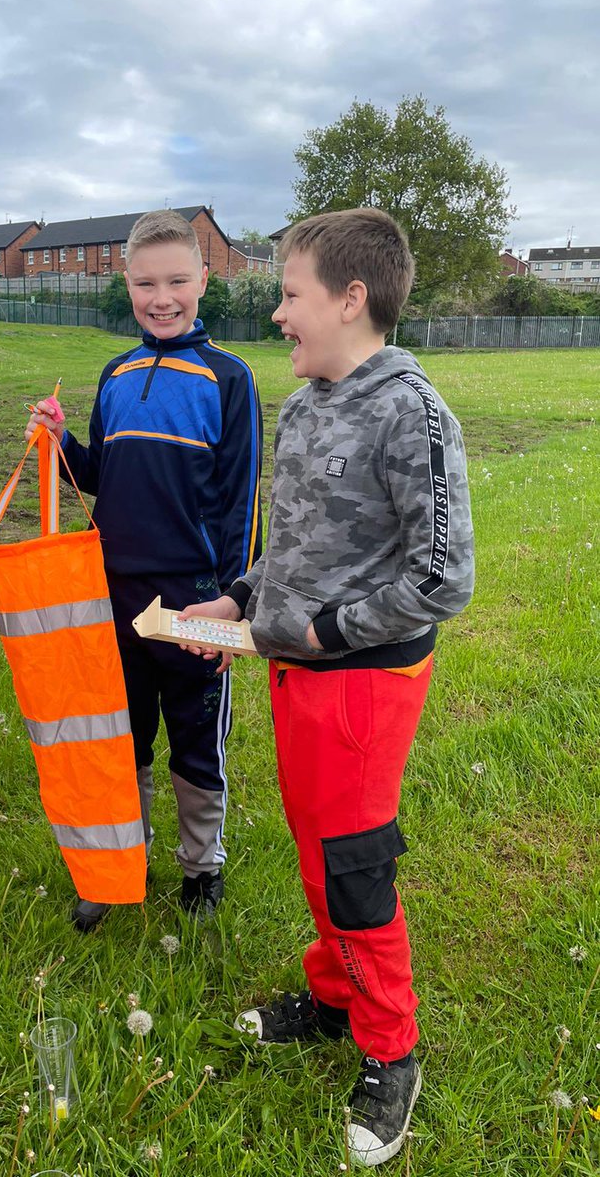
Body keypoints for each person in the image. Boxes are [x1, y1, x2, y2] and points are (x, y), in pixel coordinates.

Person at [181, 209, 474, 1165]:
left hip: (361, 684)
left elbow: (443, 578)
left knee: (354, 865)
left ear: (351, 300)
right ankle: (338, 996)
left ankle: (392, 1044)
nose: (276, 313)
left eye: (291, 293)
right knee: (315, 844)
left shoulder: (411, 411)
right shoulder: (306, 405)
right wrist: (237, 600)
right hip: (298, 673)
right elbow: (296, 553)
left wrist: (326, 631)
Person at [26, 210, 263, 930]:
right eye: (145, 283)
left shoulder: (230, 377)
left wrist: (230, 610)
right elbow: (103, 475)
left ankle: (201, 869)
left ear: (204, 281)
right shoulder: (116, 373)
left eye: (177, 281)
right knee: (122, 739)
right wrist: (63, 441)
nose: (162, 297)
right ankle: (118, 864)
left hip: (194, 602)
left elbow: (243, 500)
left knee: (196, 741)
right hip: (113, 594)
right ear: (125, 284)